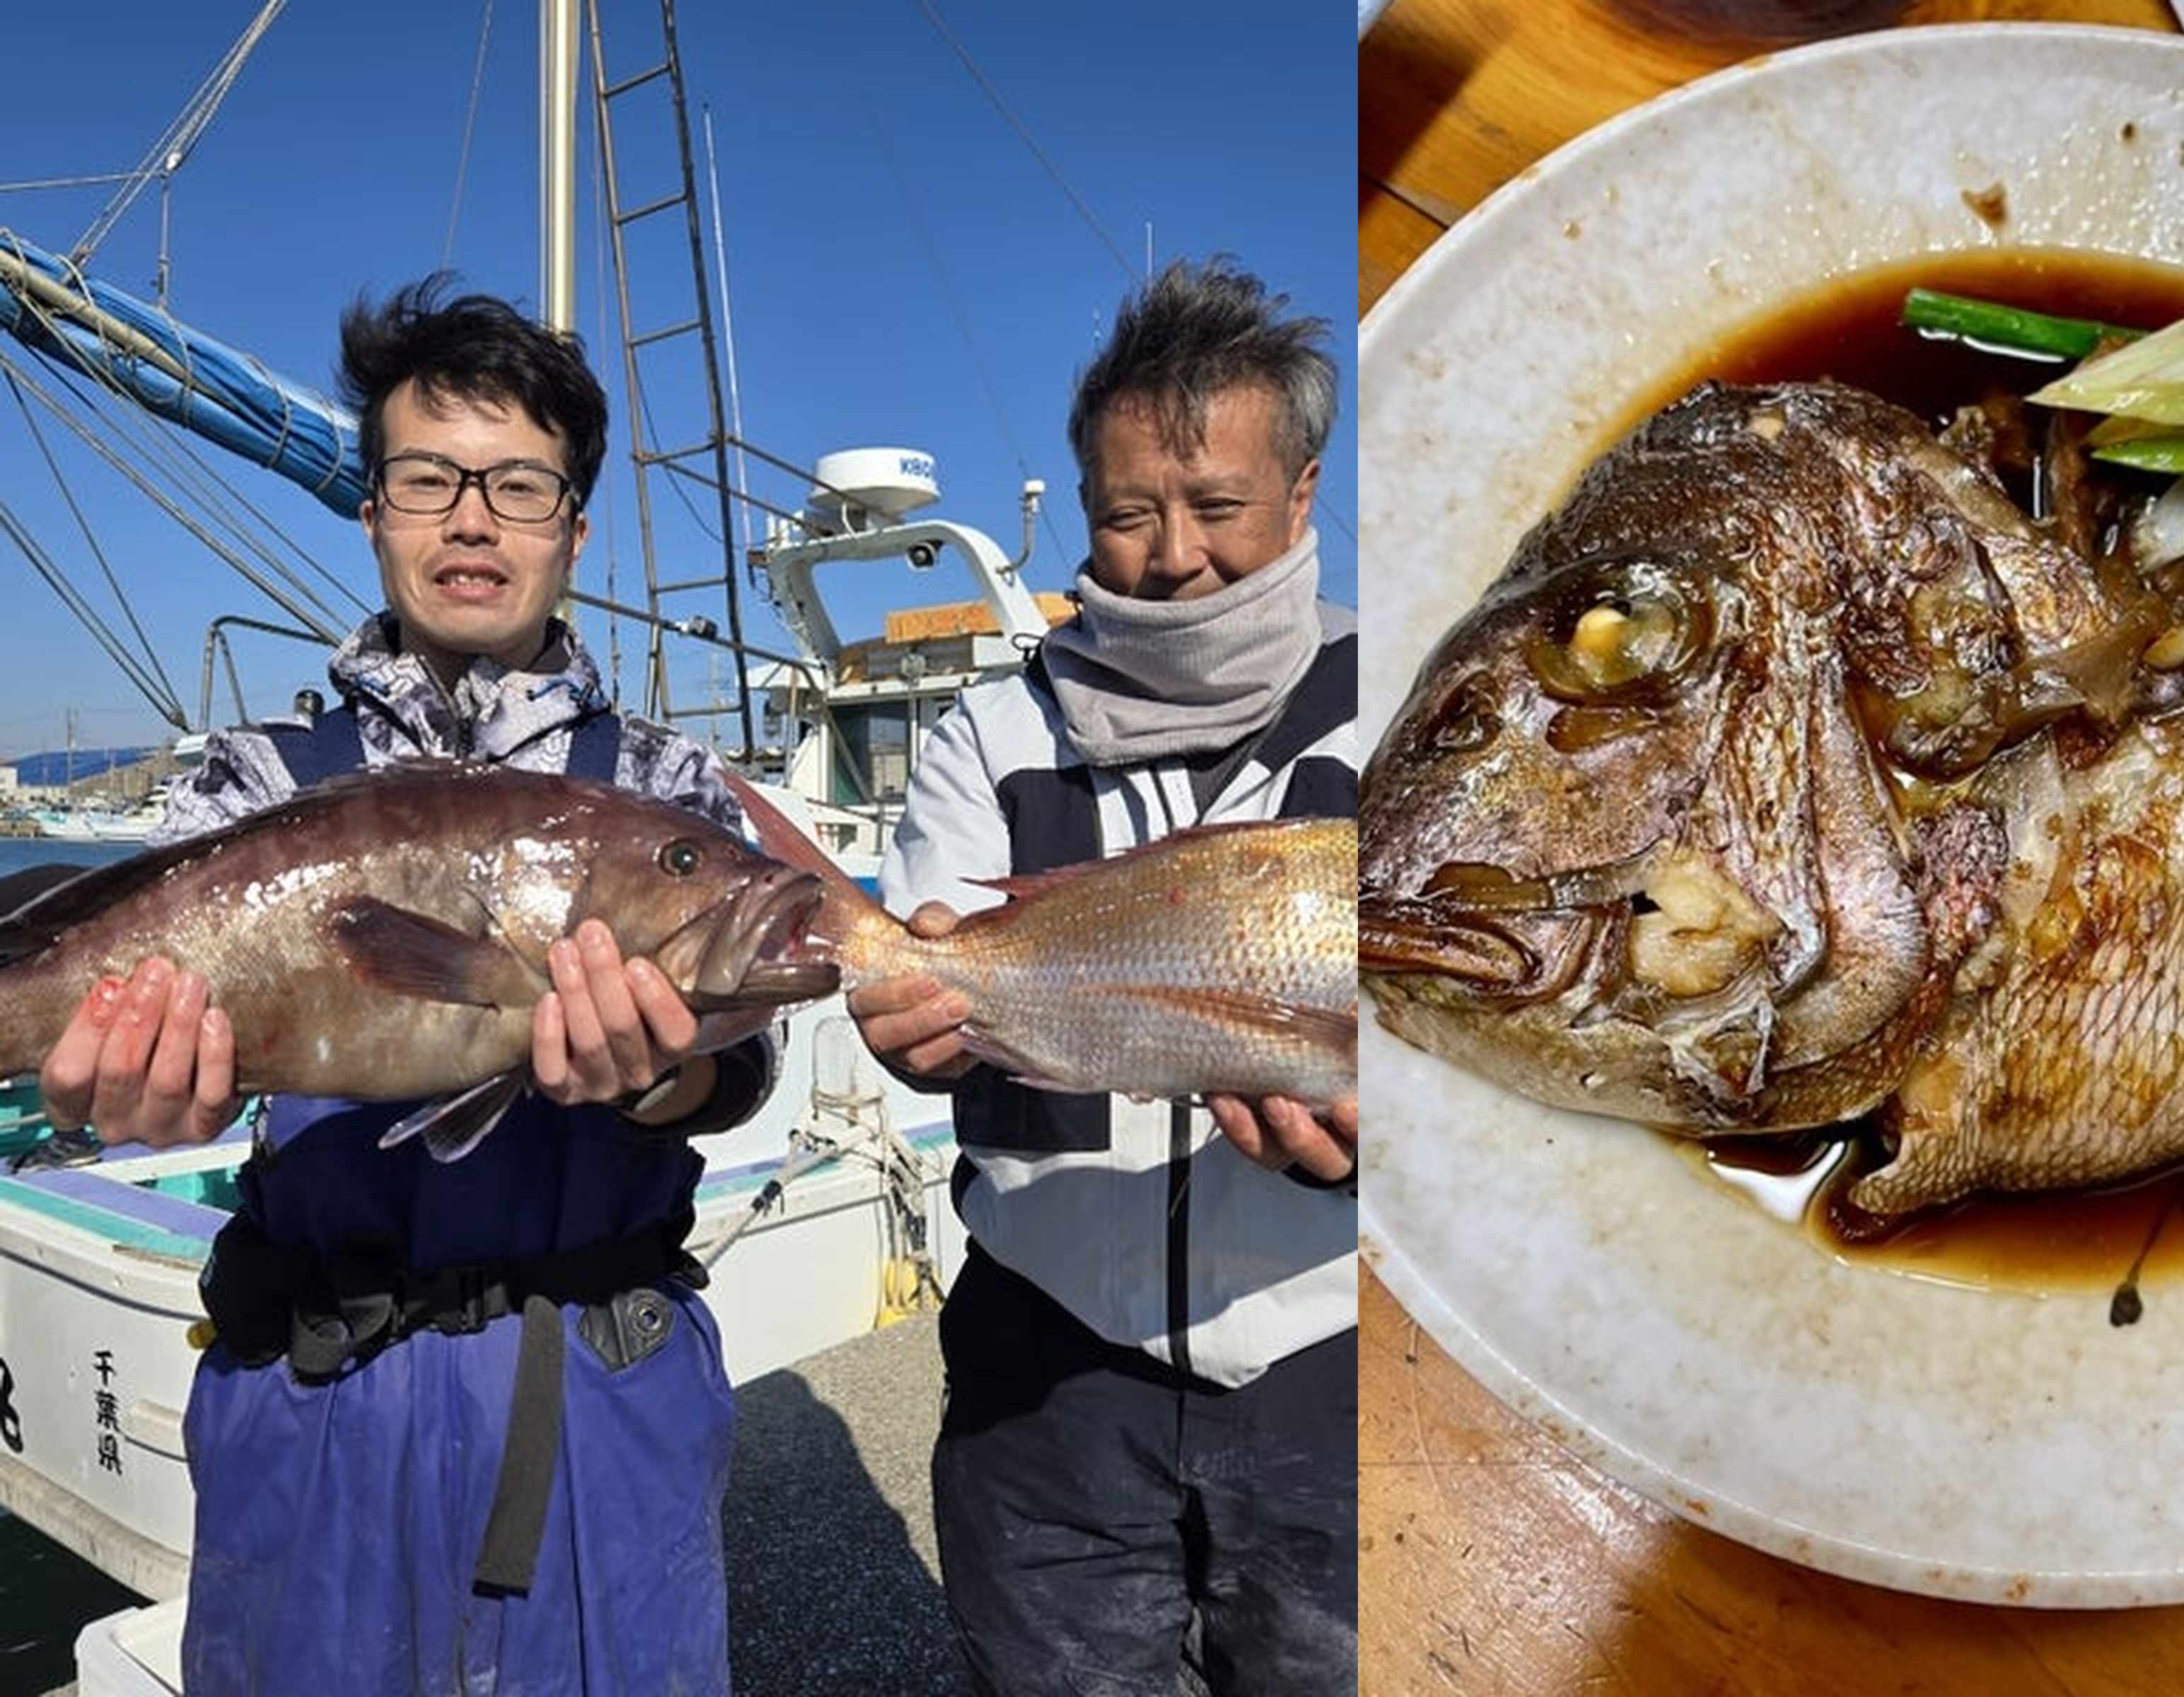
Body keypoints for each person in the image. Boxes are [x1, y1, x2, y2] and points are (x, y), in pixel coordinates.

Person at [37, 279, 769, 1693]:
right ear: (372, 511)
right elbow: (154, 1039)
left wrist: (667, 1075)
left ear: (574, 524)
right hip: (317, 1412)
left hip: (596, 1415)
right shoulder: (250, 785)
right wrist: (136, 1093)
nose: (474, 519)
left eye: (518, 485)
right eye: (428, 479)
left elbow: (742, 1057)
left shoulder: (669, 790)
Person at [848, 257, 1359, 1694]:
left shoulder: (1398, 706)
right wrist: (907, 1022)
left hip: (1341, 1352)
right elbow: (927, 973)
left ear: (1304, 495)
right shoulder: (988, 734)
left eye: (1216, 507)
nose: (1172, 554)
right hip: (1044, 1366)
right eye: (1129, 514)